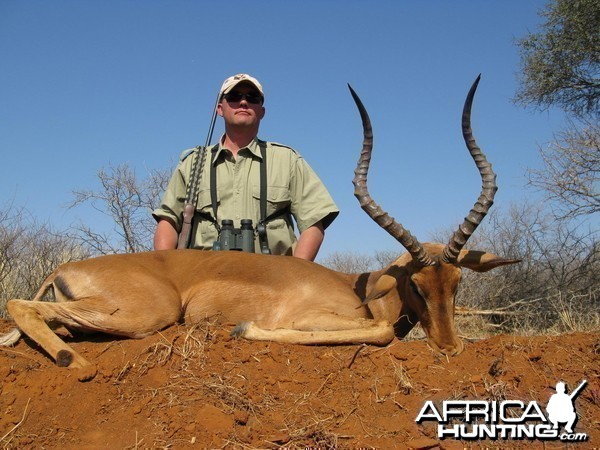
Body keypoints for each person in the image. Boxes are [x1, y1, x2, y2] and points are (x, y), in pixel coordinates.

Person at [153, 74, 338, 260]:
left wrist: (294, 278)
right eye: (234, 97)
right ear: (219, 109)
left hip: (271, 280)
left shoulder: (288, 160)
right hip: (203, 280)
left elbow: (314, 224)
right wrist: (167, 273)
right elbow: (168, 221)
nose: (243, 102)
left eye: (252, 98)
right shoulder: (193, 163)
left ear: (262, 111)